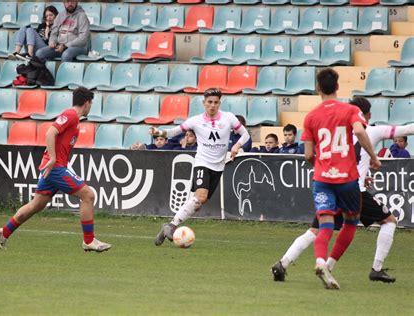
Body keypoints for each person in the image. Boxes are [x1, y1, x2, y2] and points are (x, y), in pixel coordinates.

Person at [272, 97, 414, 284]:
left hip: (331, 184)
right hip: (354, 190)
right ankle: (374, 269)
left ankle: (283, 263)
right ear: (367, 115)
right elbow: (406, 129)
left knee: (316, 230)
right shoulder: (371, 130)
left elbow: (319, 155)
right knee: (389, 221)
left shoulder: (338, 130)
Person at [0, 87, 111, 253]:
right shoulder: (70, 115)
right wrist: (54, 158)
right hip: (55, 167)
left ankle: (3, 232)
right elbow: (50, 132)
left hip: (53, 167)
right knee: (88, 195)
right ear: (86, 103)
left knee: (36, 205)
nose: (90, 107)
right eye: (91, 103)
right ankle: (89, 241)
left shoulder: (74, 119)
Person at [299, 69, 381, 289]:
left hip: (322, 180)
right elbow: (360, 132)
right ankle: (329, 264)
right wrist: (373, 157)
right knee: (351, 222)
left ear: (318, 88)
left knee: (325, 224)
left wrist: (321, 167)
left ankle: (319, 261)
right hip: (347, 180)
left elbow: (308, 154)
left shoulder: (311, 116)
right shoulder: (351, 110)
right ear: (337, 87)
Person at [152, 88, 250, 246]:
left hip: (218, 166)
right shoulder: (195, 121)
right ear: (204, 103)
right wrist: (159, 132)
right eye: (209, 102)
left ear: (220, 103)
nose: (212, 105)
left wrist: (237, 145)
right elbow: (173, 132)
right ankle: (171, 225)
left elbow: (245, 134)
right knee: (201, 197)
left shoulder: (229, 118)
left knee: (197, 204)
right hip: (202, 162)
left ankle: (169, 226)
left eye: (216, 102)